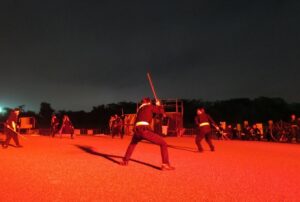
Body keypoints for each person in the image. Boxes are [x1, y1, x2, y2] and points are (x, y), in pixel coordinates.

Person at [119, 97, 174, 171]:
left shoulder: (140, 110)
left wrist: (158, 109)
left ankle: (125, 161)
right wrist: (159, 105)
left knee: (132, 144)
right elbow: (161, 113)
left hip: (137, 130)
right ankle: (165, 164)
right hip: (144, 129)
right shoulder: (149, 106)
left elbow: (153, 115)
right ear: (149, 102)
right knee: (163, 143)